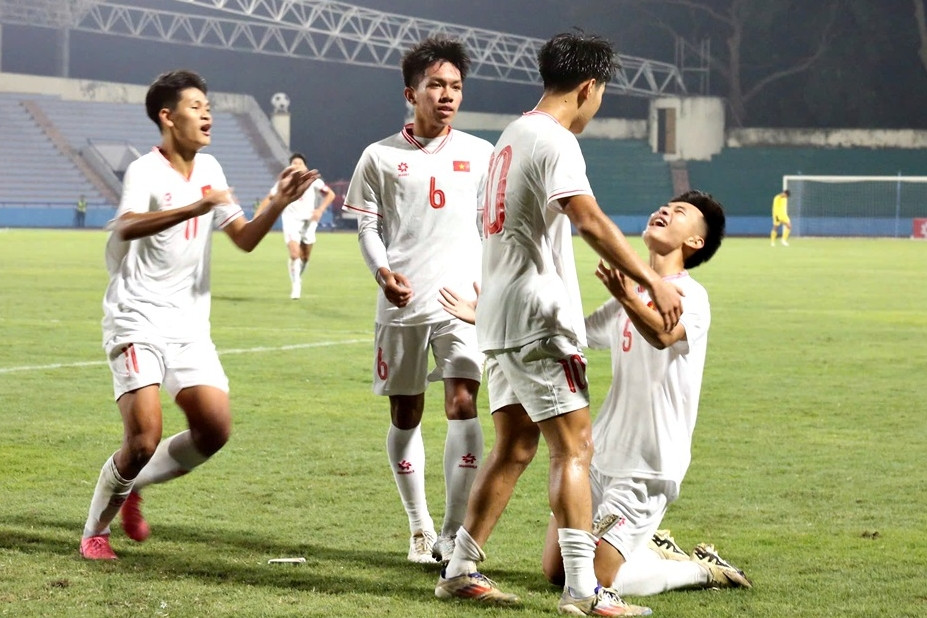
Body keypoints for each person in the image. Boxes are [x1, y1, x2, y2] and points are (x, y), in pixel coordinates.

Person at [434, 32, 682, 616]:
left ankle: (461, 568)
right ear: (588, 87)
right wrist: (653, 280)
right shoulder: (556, 140)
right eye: (601, 95)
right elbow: (588, 219)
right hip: (539, 321)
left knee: (515, 445)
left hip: (500, 317)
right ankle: (583, 590)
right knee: (576, 448)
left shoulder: (509, 140)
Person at [79, 69, 318, 560]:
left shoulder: (211, 169)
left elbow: (246, 239)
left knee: (215, 430)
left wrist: (277, 201)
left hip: (189, 326)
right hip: (137, 317)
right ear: (167, 117)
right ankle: (94, 532)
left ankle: (132, 485)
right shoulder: (145, 171)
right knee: (144, 436)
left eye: (207, 104)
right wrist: (193, 209)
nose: (207, 112)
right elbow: (125, 226)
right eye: (194, 105)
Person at [538, 190, 753, 597]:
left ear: (695, 242)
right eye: (664, 206)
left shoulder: (693, 296)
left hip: (649, 461)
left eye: (680, 212)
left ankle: (700, 570)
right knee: (556, 572)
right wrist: (488, 315)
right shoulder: (632, 294)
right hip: (601, 453)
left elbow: (661, 334)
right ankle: (648, 545)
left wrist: (624, 294)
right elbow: (573, 333)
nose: (665, 210)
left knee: (600, 580)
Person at [342, 37, 494, 565]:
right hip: (402, 304)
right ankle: (418, 526)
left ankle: (453, 531)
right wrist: (382, 271)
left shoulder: (481, 154)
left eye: (455, 86)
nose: (447, 95)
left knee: (463, 403)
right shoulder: (380, 155)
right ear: (412, 93)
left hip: (462, 302)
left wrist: (487, 289)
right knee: (406, 415)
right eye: (436, 85)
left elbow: (491, 227)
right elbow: (366, 225)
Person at [256, 153, 335, 299]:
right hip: (291, 220)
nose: (297, 165)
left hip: (309, 221)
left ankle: (298, 275)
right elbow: (269, 198)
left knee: (305, 257)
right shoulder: (285, 182)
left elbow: (330, 194)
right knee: (294, 254)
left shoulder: (312, 181)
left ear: (305, 166)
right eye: (294, 163)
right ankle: (296, 286)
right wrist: (257, 216)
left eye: (299, 163)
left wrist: (320, 210)